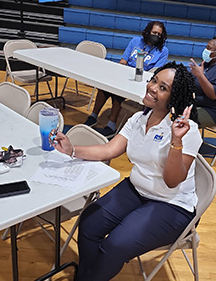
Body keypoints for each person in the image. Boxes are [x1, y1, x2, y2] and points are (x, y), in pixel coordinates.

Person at [50, 61, 202, 281]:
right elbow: (110, 149)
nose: (152, 87)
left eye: (163, 87)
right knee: (89, 224)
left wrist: (175, 141)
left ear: (174, 97)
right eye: (154, 80)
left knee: (115, 244)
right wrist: (71, 149)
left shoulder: (187, 130)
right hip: (136, 190)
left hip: (172, 205)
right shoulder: (139, 118)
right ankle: (86, 276)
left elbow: (171, 181)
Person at [84, 20, 169, 138]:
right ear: (148, 32)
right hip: (126, 75)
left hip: (143, 81)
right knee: (105, 87)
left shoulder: (163, 51)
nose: (156, 36)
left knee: (118, 94)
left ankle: (111, 125)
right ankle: (93, 116)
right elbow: (123, 61)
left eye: (159, 34)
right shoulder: (135, 41)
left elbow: (155, 73)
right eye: (154, 33)